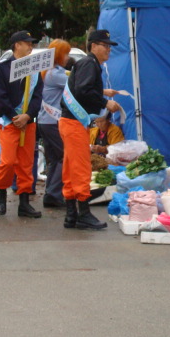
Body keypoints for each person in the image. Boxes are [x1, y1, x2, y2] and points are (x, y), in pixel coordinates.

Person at [59, 29, 121, 230]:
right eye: (105, 45)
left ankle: (71, 214)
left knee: (70, 168)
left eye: (110, 46)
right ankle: (83, 213)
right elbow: (83, 90)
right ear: (93, 45)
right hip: (74, 123)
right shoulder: (89, 63)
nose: (108, 50)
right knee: (81, 167)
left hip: (71, 122)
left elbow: (81, 87)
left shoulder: (89, 64)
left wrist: (102, 92)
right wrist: (105, 102)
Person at [0, 30, 43, 218]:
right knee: (7, 162)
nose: (31, 46)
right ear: (17, 45)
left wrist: (28, 116)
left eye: (32, 43)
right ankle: (2, 193)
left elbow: (37, 96)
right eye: (27, 43)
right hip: (10, 121)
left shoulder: (35, 68)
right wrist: (15, 117)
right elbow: (0, 96)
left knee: (26, 163)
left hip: (28, 123)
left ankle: (24, 201)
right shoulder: (2, 68)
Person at [38, 39, 72, 208]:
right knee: (63, 157)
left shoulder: (49, 72)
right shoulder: (55, 74)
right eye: (66, 54)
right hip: (53, 121)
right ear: (58, 55)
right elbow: (76, 85)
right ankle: (54, 194)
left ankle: (50, 193)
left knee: (53, 159)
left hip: (45, 121)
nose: (68, 57)